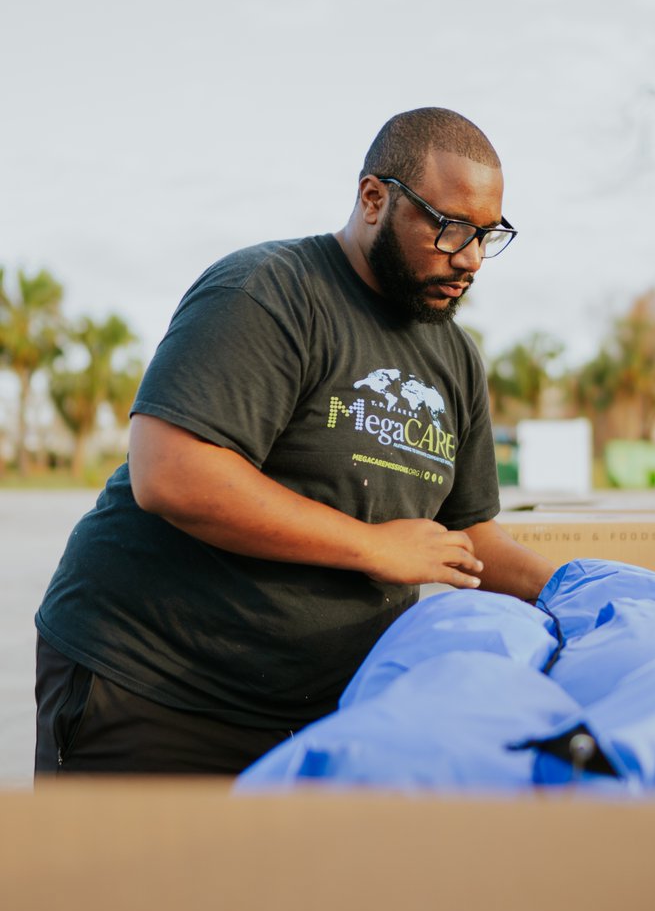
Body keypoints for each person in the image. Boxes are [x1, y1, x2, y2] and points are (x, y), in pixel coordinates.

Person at [34, 107, 554, 776]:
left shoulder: (456, 358)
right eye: (451, 228)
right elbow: (171, 474)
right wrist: (372, 545)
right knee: (131, 883)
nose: (473, 258)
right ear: (374, 198)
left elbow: (469, 535)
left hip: (317, 713)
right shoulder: (269, 292)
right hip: (153, 685)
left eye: (488, 233)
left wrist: (572, 587)